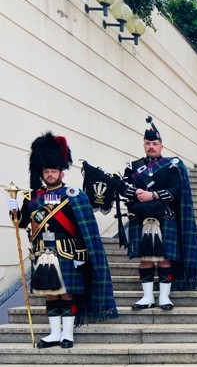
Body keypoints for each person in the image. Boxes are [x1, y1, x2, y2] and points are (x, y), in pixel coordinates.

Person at [8, 132, 117, 348]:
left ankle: (68, 334)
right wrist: (13, 209)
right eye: (47, 171)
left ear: (61, 172)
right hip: (42, 252)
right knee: (51, 295)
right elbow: (21, 223)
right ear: (43, 173)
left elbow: (84, 229)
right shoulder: (33, 197)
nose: (50, 174)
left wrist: (81, 255)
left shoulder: (73, 195)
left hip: (67, 251)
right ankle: (54, 333)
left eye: (54, 171)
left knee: (66, 294)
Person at [120, 116, 197, 311]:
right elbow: (123, 188)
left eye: (155, 143)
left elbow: (177, 189)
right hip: (141, 219)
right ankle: (147, 297)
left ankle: (165, 297)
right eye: (148, 143)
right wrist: (137, 193)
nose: (151, 146)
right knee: (145, 259)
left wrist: (153, 195)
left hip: (165, 218)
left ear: (161, 146)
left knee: (165, 257)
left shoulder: (171, 165)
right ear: (144, 144)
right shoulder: (132, 167)